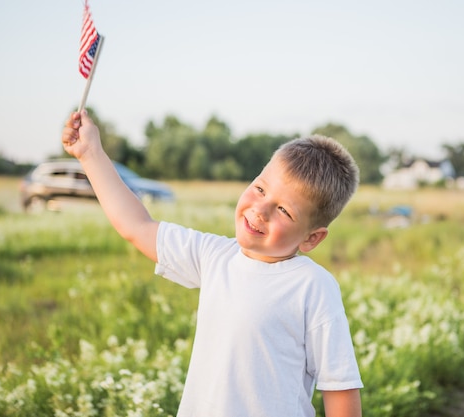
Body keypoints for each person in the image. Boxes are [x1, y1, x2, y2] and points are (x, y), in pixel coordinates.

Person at [61, 109, 363, 417]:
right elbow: (136, 226)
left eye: (284, 210)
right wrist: (90, 154)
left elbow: (340, 388)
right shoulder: (215, 255)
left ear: (312, 238)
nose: (260, 210)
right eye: (260, 188)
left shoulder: (313, 286)